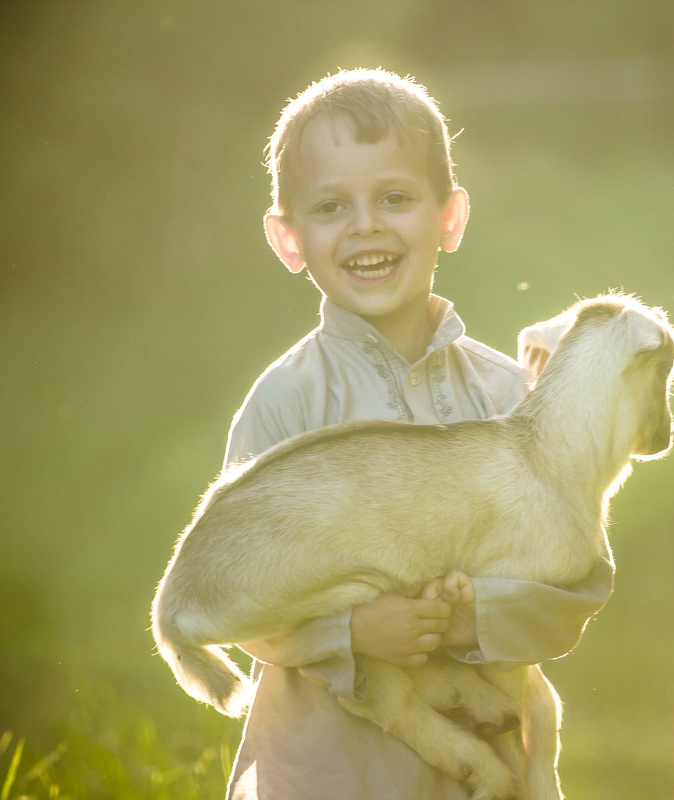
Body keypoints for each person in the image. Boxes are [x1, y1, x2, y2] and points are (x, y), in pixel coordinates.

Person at [219, 67, 614, 800]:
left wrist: (476, 620)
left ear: (450, 217)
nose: (366, 225)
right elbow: (238, 589)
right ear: (289, 236)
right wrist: (351, 633)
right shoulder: (285, 406)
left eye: (395, 198)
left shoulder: (510, 401)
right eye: (332, 206)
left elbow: (577, 583)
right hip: (326, 772)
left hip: (486, 770)